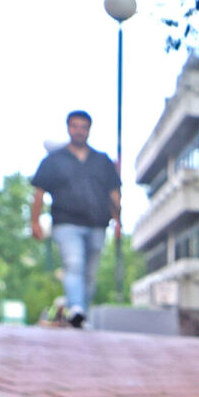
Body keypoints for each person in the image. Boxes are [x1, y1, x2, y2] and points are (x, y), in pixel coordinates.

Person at [30, 110, 123, 328]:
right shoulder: (54, 160)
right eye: (75, 126)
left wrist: (118, 220)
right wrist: (34, 221)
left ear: (89, 129)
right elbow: (39, 192)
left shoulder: (102, 161)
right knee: (74, 265)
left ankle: (81, 316)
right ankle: (76, 309)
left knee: (90, 274)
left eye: (83, 127)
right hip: (66, 222)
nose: (79, 131)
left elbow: (114, 193)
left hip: (97, 223)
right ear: (68, 128)